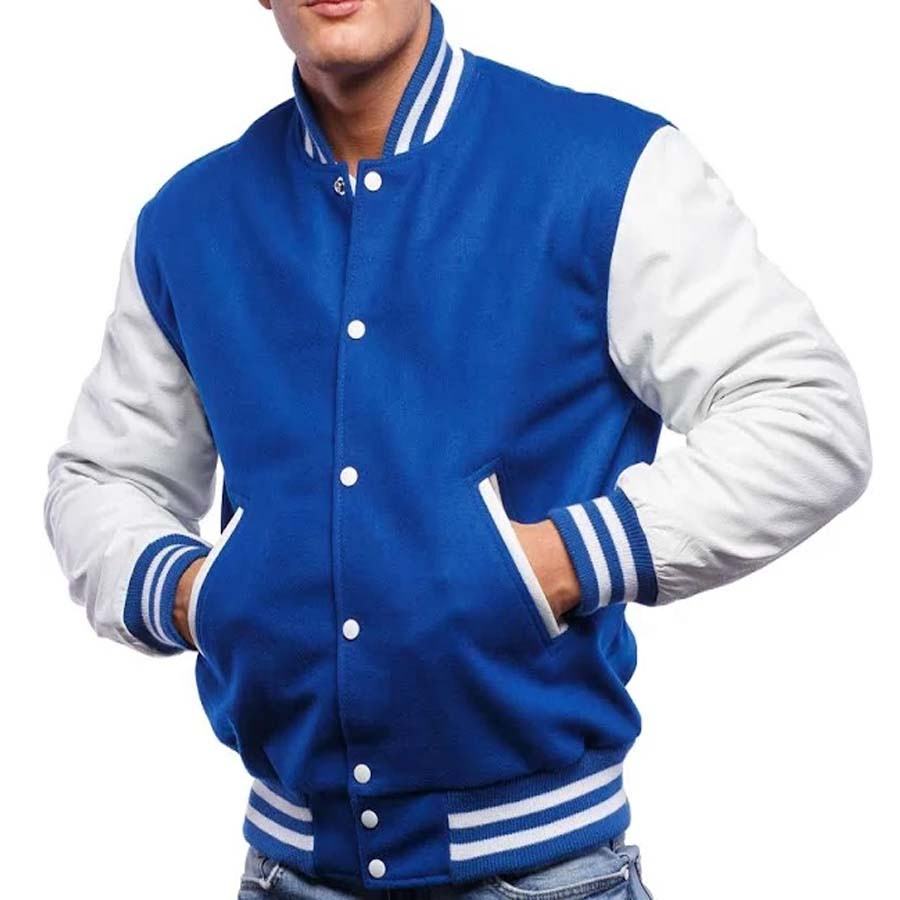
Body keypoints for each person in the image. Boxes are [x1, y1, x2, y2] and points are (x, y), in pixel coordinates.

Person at [43, 1, 872, 897]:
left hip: (550, 875)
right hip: (286, 871)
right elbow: (102, 477)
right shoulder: (188, 221)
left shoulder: (605, 168)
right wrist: (191, 593)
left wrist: (558, 563)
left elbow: (807, 414)